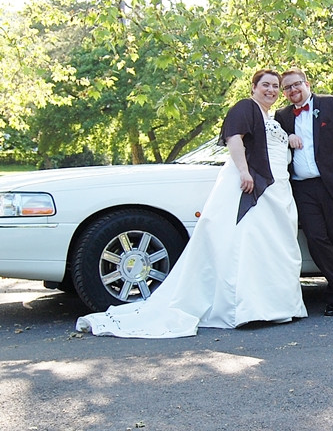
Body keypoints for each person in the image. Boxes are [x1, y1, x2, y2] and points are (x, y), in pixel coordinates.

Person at [75, 69, 307, 338]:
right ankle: (246, 309)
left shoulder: (273, 120)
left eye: (275, 86)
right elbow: (235, 139)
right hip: (252, 189)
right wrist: (243, 172)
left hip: (277, 193)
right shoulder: (245, 107)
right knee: (246, 245)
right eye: (265, 85)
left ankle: (275, 307)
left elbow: (269, 144)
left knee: (271, 248)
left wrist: (288, 138)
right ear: (253, 87)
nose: (272, 90)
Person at [274, 68, 333, 317]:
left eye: (296, 85)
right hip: (302, 187)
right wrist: (288, 137)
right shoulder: (281, 116)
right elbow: (273, 143)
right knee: (315, 239)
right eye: (287, 88)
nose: (293, 90)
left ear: (307, 83)